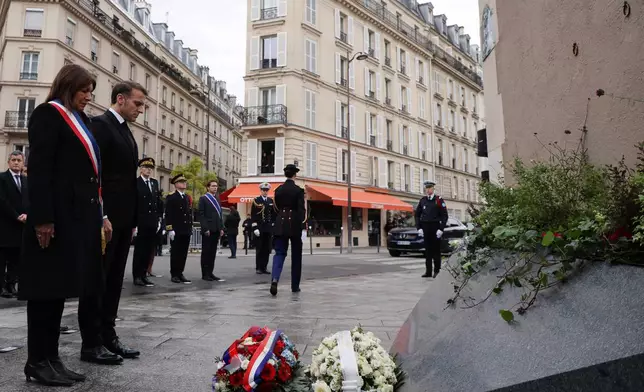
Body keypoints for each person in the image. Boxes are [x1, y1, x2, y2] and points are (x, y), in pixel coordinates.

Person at [19, 64, 100, 386]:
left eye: (90, 91)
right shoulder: (47, 115)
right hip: (52, 220)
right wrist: (43, 219)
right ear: (68, 87)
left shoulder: (80, 120)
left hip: (73, 219)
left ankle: (52, 359)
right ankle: (36, 360)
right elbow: (39, 170)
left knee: (57, 293)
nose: (88, 96)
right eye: (84, 90)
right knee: (44, 292)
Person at [78, 81, 145, 366]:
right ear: (120, 99)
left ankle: (108, 335)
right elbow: (94, 175)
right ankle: (90, 343)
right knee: (98, 279)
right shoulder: (100, 125)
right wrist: (102, 215)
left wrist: (132, 220)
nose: (141, 110)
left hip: (123, 219)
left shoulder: (126, 131)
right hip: (104, 219)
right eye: (138, 104)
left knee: (115, 279)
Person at [270, 164, 307, 296]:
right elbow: (301, 210)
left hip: (280, 223)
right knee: (296, 256)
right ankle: (295, 286)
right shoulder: (298, 190)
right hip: (294, 224)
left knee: (279, 253)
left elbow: (275, 208)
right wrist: (302, 225)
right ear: (295, 175)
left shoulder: (278, 190)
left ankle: (275, 279)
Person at [0, 151, 28, 299]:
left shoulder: (25, 181)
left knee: (15, 259)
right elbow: (2, 201)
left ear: (23, 163)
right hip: (5, 225)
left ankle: (11, 285)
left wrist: (26, 215)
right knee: (2, 258)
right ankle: (1, 287)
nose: (16, 162)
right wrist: (16, 215)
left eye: (19, 160)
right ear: (9, 162)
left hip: (21, 226)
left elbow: (29, 201)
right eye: (13, 160)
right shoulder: (2, 178)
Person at [132, 158, 162, 287]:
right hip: (141, 221)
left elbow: (158, 202)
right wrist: (134, 224)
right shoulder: (136, 183)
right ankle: (137, 275)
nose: (149, 170)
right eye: (146, 167)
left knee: (148, 250)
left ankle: (144, 274)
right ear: (140, 168)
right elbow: (133, 204)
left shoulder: (154, 183)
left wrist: (159, 219)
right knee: (140, 250)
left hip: (152, 222)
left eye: (151, 168)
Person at [415, 181, 449, 278]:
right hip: (426, 227)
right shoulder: (423, 200)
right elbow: (417, 215)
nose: (428, 190)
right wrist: (419, 228)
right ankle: (428, 271)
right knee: (428, 251)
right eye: (427, 188)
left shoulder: (438, 200)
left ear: (433, 189)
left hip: (435, 227)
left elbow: (444, 215)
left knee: (436, 251)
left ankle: (437, 271)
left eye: (430, 188)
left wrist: (441, 229)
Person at [165, 174, 193, 284]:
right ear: (176, 184)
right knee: (176, 253)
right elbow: (168, 214)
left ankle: (180, 272)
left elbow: (188, 215)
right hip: (176, 229)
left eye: (185, 182)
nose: (184, 183)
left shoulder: (186, 197)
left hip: (185, 229)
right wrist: (169, 229)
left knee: (183, 253)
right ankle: (174, 274)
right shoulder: (171, 197)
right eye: (182, 182)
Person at [198, 180, 225, 281]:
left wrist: (221, 228)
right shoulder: (203, 199)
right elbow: (201, 215)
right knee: (206, 252)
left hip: (216, 229)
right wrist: (205, 228)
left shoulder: (217, 199)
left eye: (216, 186)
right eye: (213, 186)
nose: (215, 188)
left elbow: (220, 215)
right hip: (208, 229)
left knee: (213, 253)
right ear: (208, 187)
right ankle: (205, 274)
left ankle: (210, 272)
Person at [251, 183, 275, 275]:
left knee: (267, 249)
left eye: (266, 190)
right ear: (260, 191)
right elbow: (253, 215)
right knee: (260, 249)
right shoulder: (257, 200)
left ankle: (264, 267)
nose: (265, 192)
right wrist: (255, 228)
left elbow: (273, 214)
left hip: (268, 228)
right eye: (263, 190)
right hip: (260, 228)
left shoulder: (270, 200)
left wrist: (273, 224)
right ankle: (258, 267)